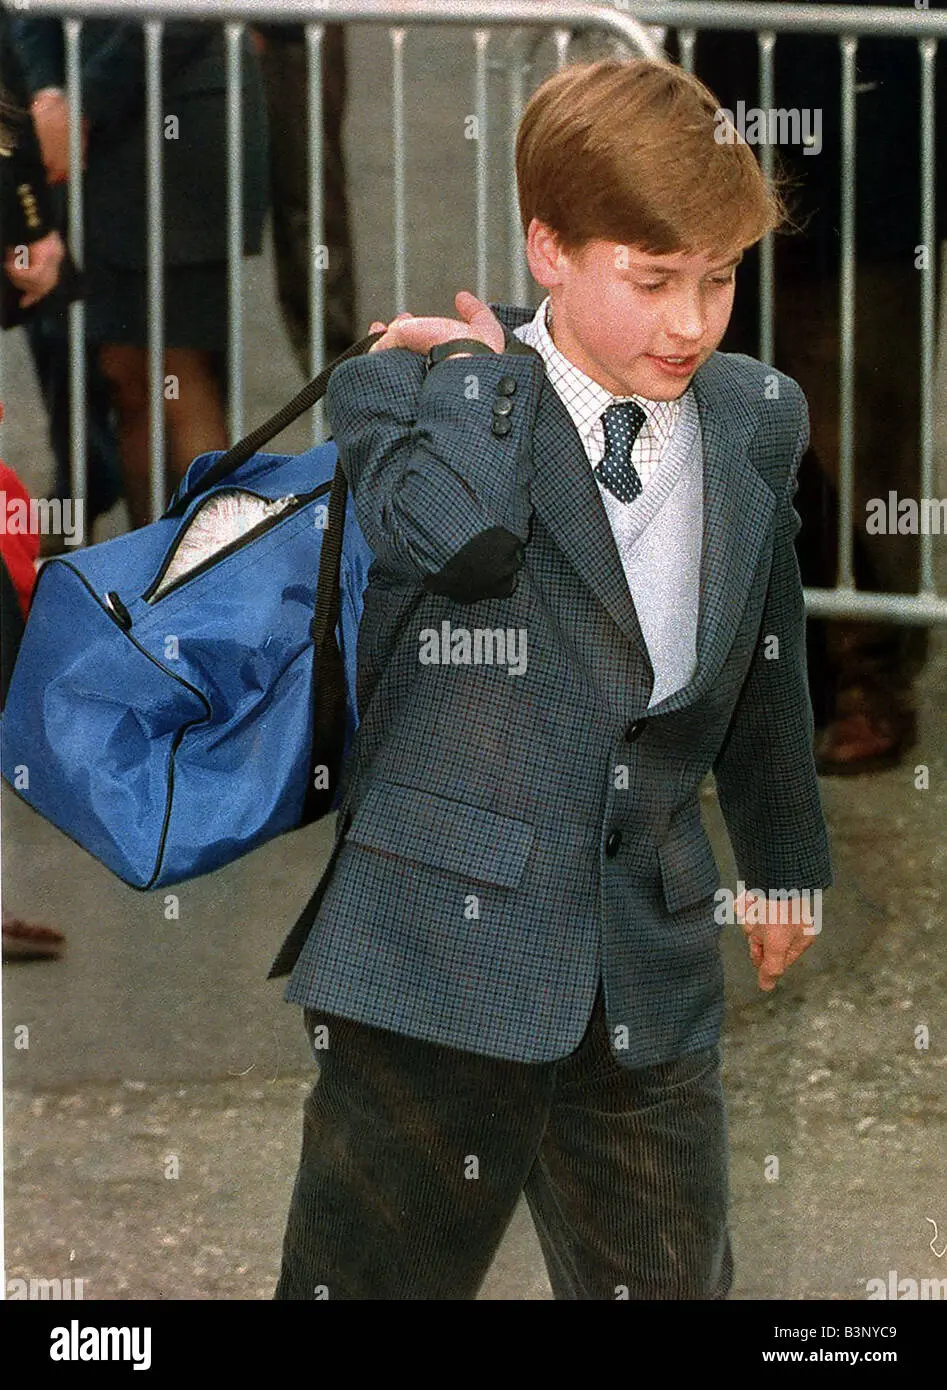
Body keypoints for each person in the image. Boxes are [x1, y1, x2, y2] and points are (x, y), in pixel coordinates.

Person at [268, 58, 833, 1301]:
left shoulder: (753, 417)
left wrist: (782, 855)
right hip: (431, 963)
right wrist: (480, 382)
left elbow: (764, 653)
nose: (690, 323)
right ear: (548, 249)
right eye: (652, 280)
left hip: (645, 960)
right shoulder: (415, 392)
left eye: (719, 279)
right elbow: (463, 546)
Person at [686, 7, 947, 773]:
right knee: (721, 419)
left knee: (858, 433)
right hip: (722, 144)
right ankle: (758, 673)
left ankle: (870, 670)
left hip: (870, 162)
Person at [10, 14, 269, 530]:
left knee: (177, 373)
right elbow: (32, 13)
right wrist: (49, 95)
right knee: (127, 377)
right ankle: (154, 567)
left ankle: (207, 567)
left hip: (177, 120)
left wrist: (82, 106)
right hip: (97, 136)